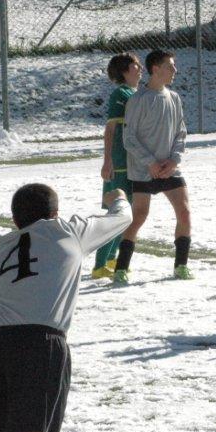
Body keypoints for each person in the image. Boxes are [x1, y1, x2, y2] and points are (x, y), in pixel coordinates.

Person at [0, 184, 131, 432]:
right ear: (55, 214)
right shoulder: (67, 231)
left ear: (14, 220)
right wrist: (118, 196)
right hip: (41, 345)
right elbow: (122, 217)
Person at [113, 49, 192, 284]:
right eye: (170, 66)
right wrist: (151, 163)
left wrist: (174, 160)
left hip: (170, 168)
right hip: (144, 170)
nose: (175, 70)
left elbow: (181, 132)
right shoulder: (138, 99)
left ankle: (181, 266)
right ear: (155, 69)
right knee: (139, 216)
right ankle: (121, 268)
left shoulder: (174, 98)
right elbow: (129, 139)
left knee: (184, 212)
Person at [92, 52, 142, 280]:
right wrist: (108, 160)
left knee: (127, 212)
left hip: (133, 161)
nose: (140, 69)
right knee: (117, 212)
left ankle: (112, 259)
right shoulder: (120, 94)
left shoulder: (135, 93)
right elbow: (110, 129)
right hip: (120, 162)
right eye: (135, 65)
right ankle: (99, 265)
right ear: (124, 71)